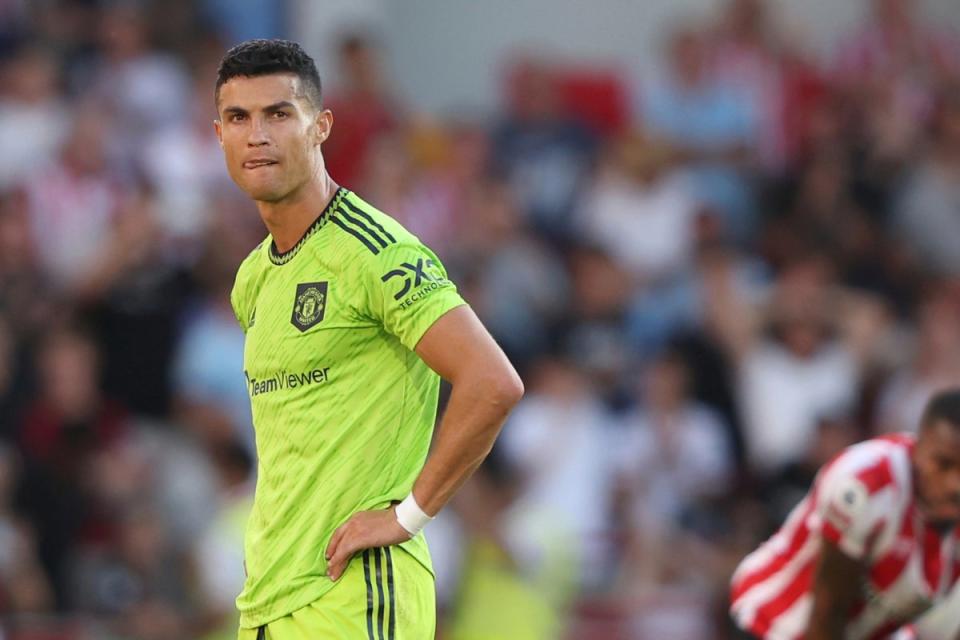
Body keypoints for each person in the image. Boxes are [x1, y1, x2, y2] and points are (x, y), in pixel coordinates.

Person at [212, 39, 524, 639]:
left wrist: (408, 516)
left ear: (321, 126)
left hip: (358, 595)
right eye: (238, 118)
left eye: (279, 114)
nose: (257, 135)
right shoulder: (254, 277)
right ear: (219, 134)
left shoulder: (376, 252)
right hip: (270, 600)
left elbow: (492, 383)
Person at [730, 389, 960, 639]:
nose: (954, 484)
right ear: (920, 445)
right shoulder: (865, 483)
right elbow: (828, 612)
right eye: (943, 464)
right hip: (771, 625)